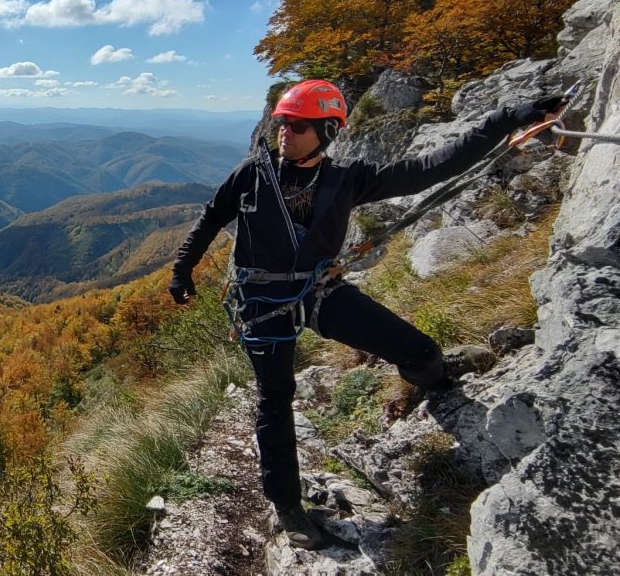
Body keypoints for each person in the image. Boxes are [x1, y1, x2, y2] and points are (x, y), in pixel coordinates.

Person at [167, 79, 567, 549]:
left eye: (298, 125)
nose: (285, 132)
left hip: (319, 291)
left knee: (417, 349)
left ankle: (435, 381)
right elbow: (213, 215)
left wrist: (508, 117)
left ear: (328, 132)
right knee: (276, 397)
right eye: (282, 123)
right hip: (261, 304)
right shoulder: (251, 175)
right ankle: (288, 506)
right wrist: (182, 269)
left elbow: (430, 167)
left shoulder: (347, 178)